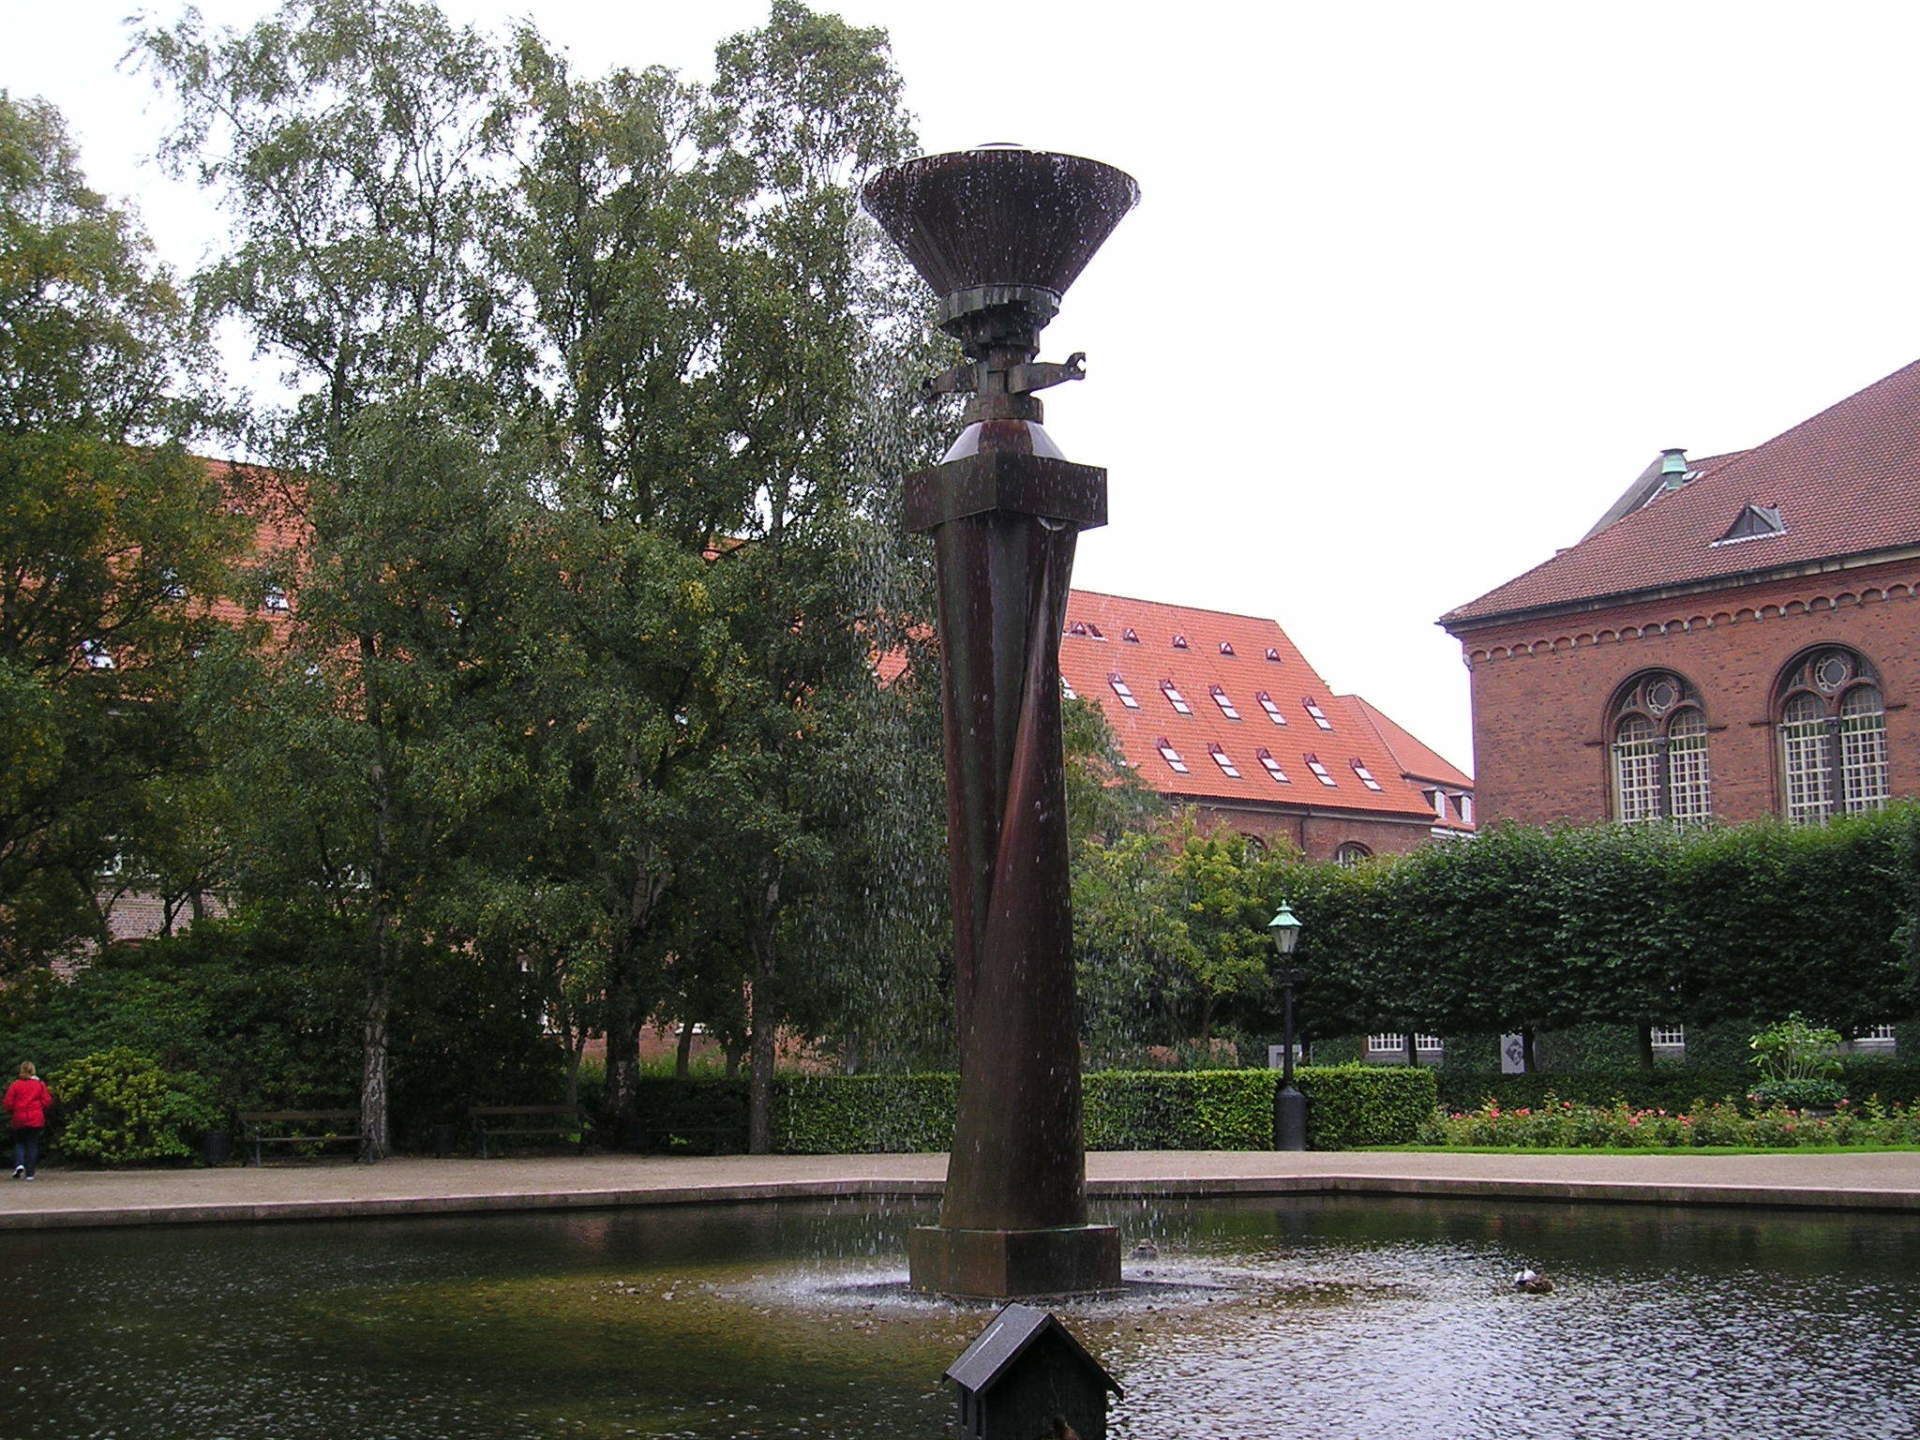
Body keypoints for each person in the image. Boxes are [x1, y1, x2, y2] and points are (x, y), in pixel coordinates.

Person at [5, 1062, 53, 1181]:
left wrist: (14, 1109)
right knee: (32, 1144)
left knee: (19, 1143)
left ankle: (19, 1163)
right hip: (35, 1117)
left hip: (19, 1116)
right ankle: (30, 1173)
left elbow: (8, 1102)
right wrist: (38, 1107)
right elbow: (47, 1100)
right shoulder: (39, 1084)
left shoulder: (15, 1085)